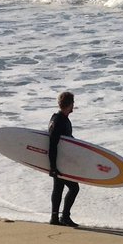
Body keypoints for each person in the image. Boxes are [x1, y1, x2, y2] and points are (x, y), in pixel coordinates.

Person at [48, 91, 80, 227]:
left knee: (58, 188)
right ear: (69, 104)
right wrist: (53, 167)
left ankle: (54, 218)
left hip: (61, 161)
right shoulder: (59, 121)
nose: (74, 106)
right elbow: (52, 145)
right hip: (59, 162)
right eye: (73, 103)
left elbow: (65, 141)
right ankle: (65, 217)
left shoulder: (59, 118)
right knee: (74, 188)